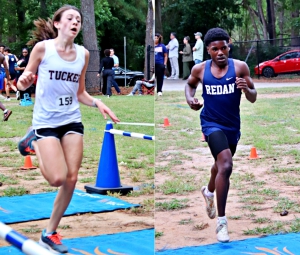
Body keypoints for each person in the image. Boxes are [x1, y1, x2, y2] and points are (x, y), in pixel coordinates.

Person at [17, 5, 120, 253]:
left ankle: (49, 232)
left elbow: (80, 92)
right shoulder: (43, 49)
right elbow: (23, 82)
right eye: (70, 18)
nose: (75, 22)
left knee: (71, 178)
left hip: (71, 120)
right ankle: (33, 142)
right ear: (58, 24)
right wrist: (23, 82)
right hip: (45, 122)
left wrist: (97, 102)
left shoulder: (83, 54)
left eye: (78, 20)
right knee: (56, 178)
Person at [185, 27, 257, 243]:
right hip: (211, 124)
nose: (220, 52)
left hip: (232, 126)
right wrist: (191, 100)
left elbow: (253, 97)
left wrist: (246, 89)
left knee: (220, 165)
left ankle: (208, 192)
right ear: (208, 50)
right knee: (226, 165)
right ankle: (222, 223)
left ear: (229, 45)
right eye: (215, 49)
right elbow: (189, 86)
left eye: (223, 47)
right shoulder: (200, 69)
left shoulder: (240, 67)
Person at [0, 53, 12, 120]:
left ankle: (6, 111)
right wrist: (8, 79)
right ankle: (5, 111)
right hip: (1, 75)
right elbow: (6, 68)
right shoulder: (1, 55)